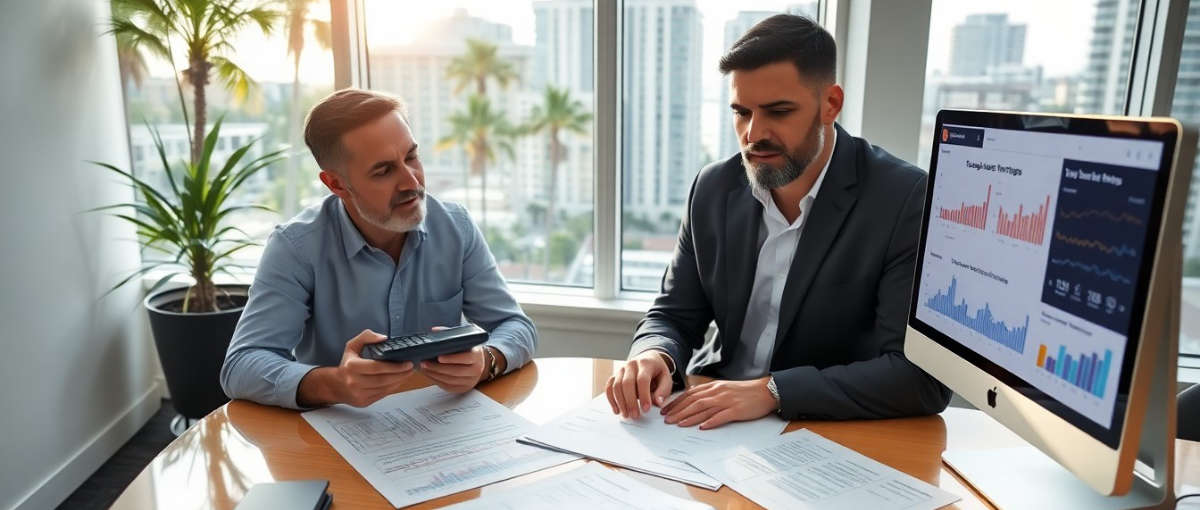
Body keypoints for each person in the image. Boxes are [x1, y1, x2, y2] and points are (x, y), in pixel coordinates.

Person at [605, 14, 950, 428]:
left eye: (778, 111)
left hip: (824, 431)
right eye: (741, 112)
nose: (754, 133)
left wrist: (772, 392)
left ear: (831, 104)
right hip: (710, 423)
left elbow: (920, 379)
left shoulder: (903, 199)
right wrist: (653, 353)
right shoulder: (713, 188)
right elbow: (674, 315)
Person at [220, 88, 536, 409]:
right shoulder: (295, 248)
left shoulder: (456, 226)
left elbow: (516, 326)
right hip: (337, 432)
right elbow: (241, 366)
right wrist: (336, 383)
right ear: (336, 184)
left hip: (439, 424)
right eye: (384, 171)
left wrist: (487, 360)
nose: (412, 182)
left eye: (411, 157)